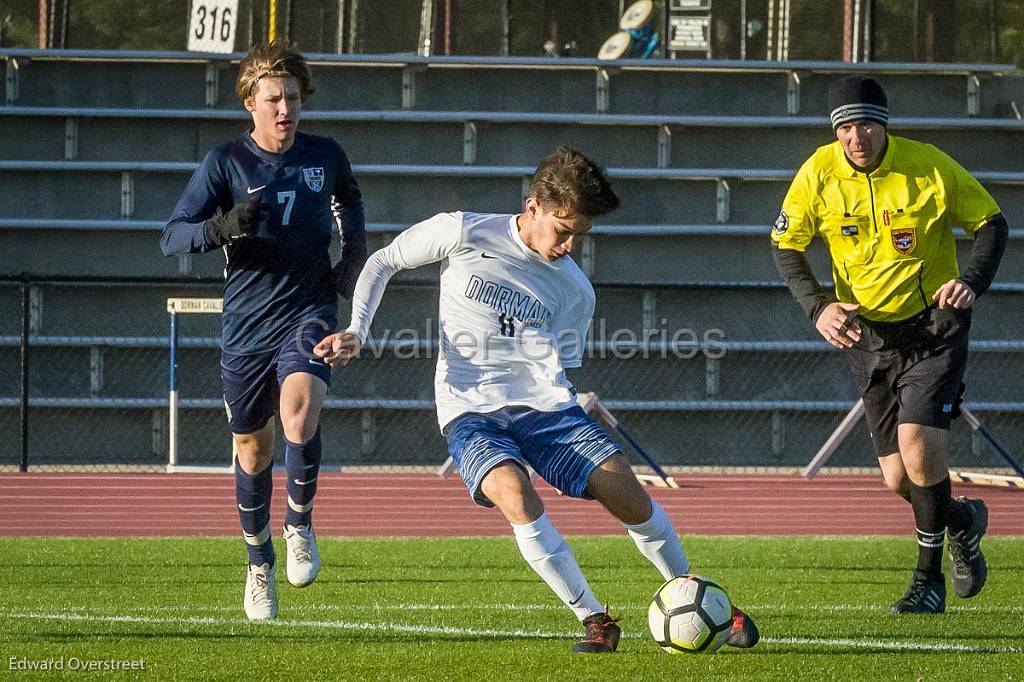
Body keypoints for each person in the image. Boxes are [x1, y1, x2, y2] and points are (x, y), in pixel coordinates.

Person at [314, 147, 759, 652]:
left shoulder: (577, 291)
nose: (570, 245)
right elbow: (383, 261)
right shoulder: (464, 231)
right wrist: (356, 330)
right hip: (469, 408)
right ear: (533, 208)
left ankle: (692, 590)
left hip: (547, 409)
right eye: (563, 230)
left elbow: (561, 364)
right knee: (515, 494)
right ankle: (595, 618)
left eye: (580, 236)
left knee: (630, 498)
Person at [771, 75, 1008, 614]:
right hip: (868, 336)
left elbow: (991, 223)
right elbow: (786, 243)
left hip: (934, 328)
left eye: (866, 124)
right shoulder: (818, 173)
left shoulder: (927, 164)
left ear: (884, 125)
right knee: (898, 477)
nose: (856, 137)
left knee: (919, 448)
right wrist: (818, 306)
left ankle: (928, 582)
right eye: (846, 127)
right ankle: (963, 521)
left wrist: (970, 281)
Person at [160, 41, 367, 620]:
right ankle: (258, 563)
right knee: (252, 451)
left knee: (300, 412)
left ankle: (299, 523)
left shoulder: (326, 155)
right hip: (247, 323)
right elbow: (172, 235)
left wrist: (354, 259)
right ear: (250, 103)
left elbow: (349, 201)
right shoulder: (224, 162)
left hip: (309, 309)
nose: (285, 109)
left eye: (293, 98)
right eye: (274, 99)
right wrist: (222, 227)